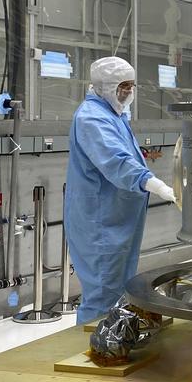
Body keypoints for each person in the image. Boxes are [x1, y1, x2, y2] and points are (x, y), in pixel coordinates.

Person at [66, 57, 175, 324]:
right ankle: (92, 353)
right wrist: (157, 186)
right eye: (123, 86)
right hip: (101, 222)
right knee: (103, 294)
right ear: (105, 86)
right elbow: (116, 162)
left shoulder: (114, 114)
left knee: (117, 291)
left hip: (117, 220)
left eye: (131, 86)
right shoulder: (92, 118)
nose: (129, 92)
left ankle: (111, 343)